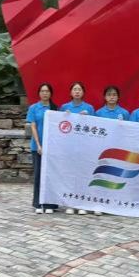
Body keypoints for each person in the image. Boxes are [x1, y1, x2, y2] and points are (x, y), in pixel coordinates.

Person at [60, 82, 94, 215]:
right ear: (71, 92)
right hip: (69, 147)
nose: (77, 91)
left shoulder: (89, 108)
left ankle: (82, 204)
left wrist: (88, 118)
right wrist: (64, 116)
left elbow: (96, 127)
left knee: (83, 176)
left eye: (79, 89)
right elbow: (59, 126)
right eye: (75, 89)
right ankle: (70, 204)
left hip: (84, 147)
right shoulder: (64, 107)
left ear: (83, 92)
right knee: (69, 176)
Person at [26, 82, 59, 214]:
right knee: (38, 175)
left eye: (47, 91)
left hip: (52, 147)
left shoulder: (55, 108)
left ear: (51, 93)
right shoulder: (34, 108)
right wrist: (39, 145)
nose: (45, 93)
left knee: (51, 175)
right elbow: (33, 126)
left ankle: (50, 204)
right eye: (42, 91)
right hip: (37, 147)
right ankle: (38, 203)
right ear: (39, 93)